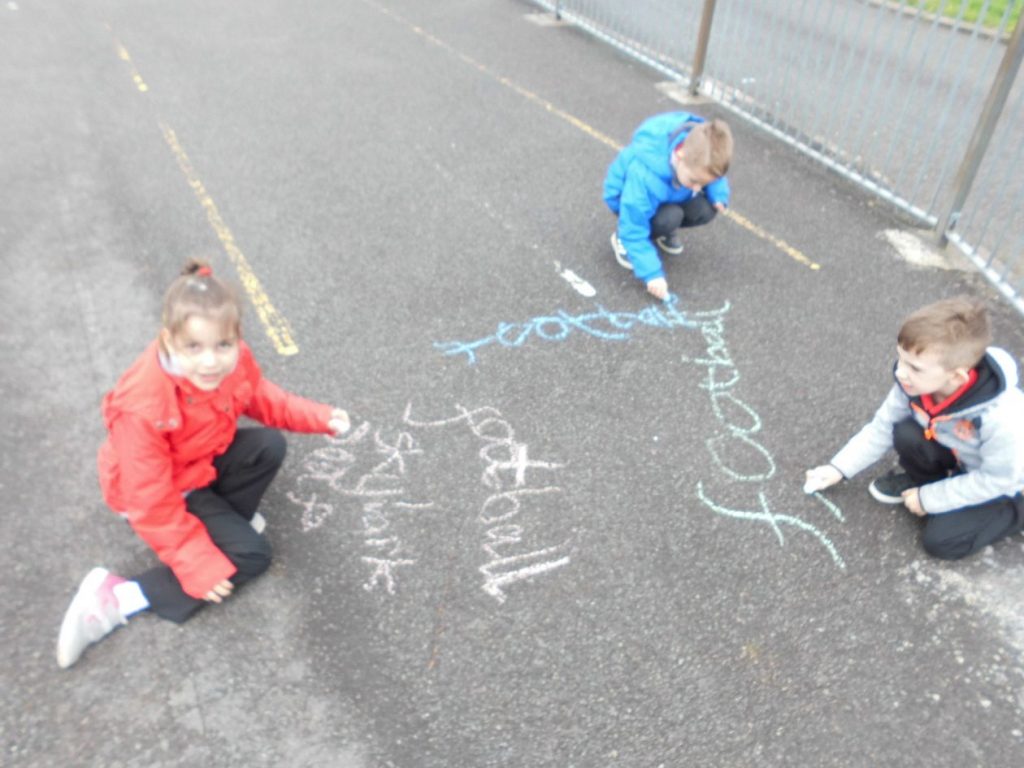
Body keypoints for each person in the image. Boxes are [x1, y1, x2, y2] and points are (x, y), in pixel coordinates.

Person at [56, 260, 351, 668]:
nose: (211, 361)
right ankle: (118, 598)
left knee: (267, 446)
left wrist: (318, 417)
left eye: (223, 346)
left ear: (236, 337)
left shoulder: (232, 360)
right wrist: (196, 563)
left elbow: (259, 394)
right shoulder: (143, 406)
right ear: (168, 340)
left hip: (195, 464)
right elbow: (151, 501)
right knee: (252, 557)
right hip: (164, 491)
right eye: (194, 347)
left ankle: (221, 529)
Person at [804, 297, 1024, 560]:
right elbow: (883, 427)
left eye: (914, 367)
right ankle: (929, 482)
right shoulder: (914, 384)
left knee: (942, 541)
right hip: (966, 459)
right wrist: (838, 468)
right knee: (906, 432)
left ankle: (1014, 512)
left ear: (957, 377)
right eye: (901, 359)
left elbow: (999, 479)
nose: (900, 372)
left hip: (1010, 481)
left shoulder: (1004, 420)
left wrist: (930, 498)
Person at [603, 111, 733, 301]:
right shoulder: (645, 175)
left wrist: (718, 194)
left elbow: (714, 175)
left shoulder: (701, 149)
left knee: (705, 209)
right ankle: (621, 238)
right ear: (679, 156)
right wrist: (652, 274)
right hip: (628, 202)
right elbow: (634, 228)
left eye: (703, 183)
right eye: (694, 181)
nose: (698, 188)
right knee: (668, 217)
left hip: (669, 190)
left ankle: (662, 228)